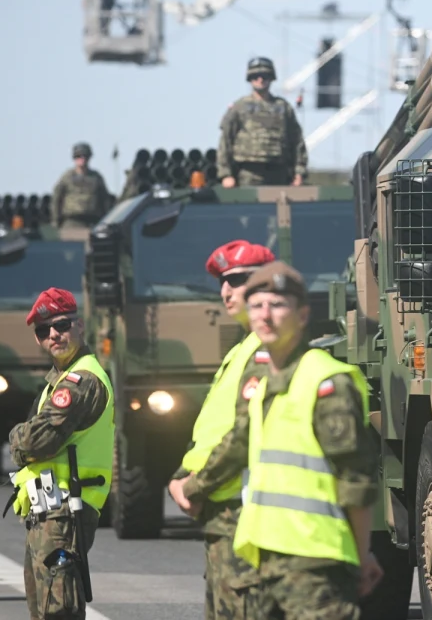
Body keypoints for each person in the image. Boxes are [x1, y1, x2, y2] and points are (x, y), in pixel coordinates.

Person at [227, 261, 381, 617]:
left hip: (316, 565)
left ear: (302, 314)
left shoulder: (327, 383)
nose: (266, 315)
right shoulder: (265, 384)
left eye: (278, 305)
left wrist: (360, 555)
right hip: (264, 558)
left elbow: (355, 482)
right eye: (257, 306)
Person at [167, 240, 275, 620]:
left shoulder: (264, 351)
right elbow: (215, 429)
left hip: (242, 512)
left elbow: (243, 435)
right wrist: (183, 475)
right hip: (224, 510)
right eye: (222, 283)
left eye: (237, 280)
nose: (226, 291)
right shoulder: (243, 348)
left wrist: (193, 487)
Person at [8, 288, 114, 620]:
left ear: (80, 326)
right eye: (43, 330)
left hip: (66, 509)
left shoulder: (81, 380)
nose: (54, 335)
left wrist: (15, 436)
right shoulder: (60, 379)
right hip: (49, 506)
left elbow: (38, 439)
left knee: (58, 609)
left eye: (62, 324)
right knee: (42, 607)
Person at [216, 58, 309, 188]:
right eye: (255, 76)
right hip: (248, 173)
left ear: (271, 78)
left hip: (279, 172)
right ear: (250, 78)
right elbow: (225, 141)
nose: (260, 79)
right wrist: (226, 175)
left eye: (265, 76)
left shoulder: (283, 108)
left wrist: (299, 173)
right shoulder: (240, 107)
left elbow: (297, 141)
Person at [52, 143, 111, 228]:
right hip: (72, 222)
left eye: (85, 156)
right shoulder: (67, 177)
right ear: (74, 158)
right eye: (79, 156)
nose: (82, 159)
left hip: (93, 221)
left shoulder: (96, 177)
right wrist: (56, 220)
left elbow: (105, 200)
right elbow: (57, 199)